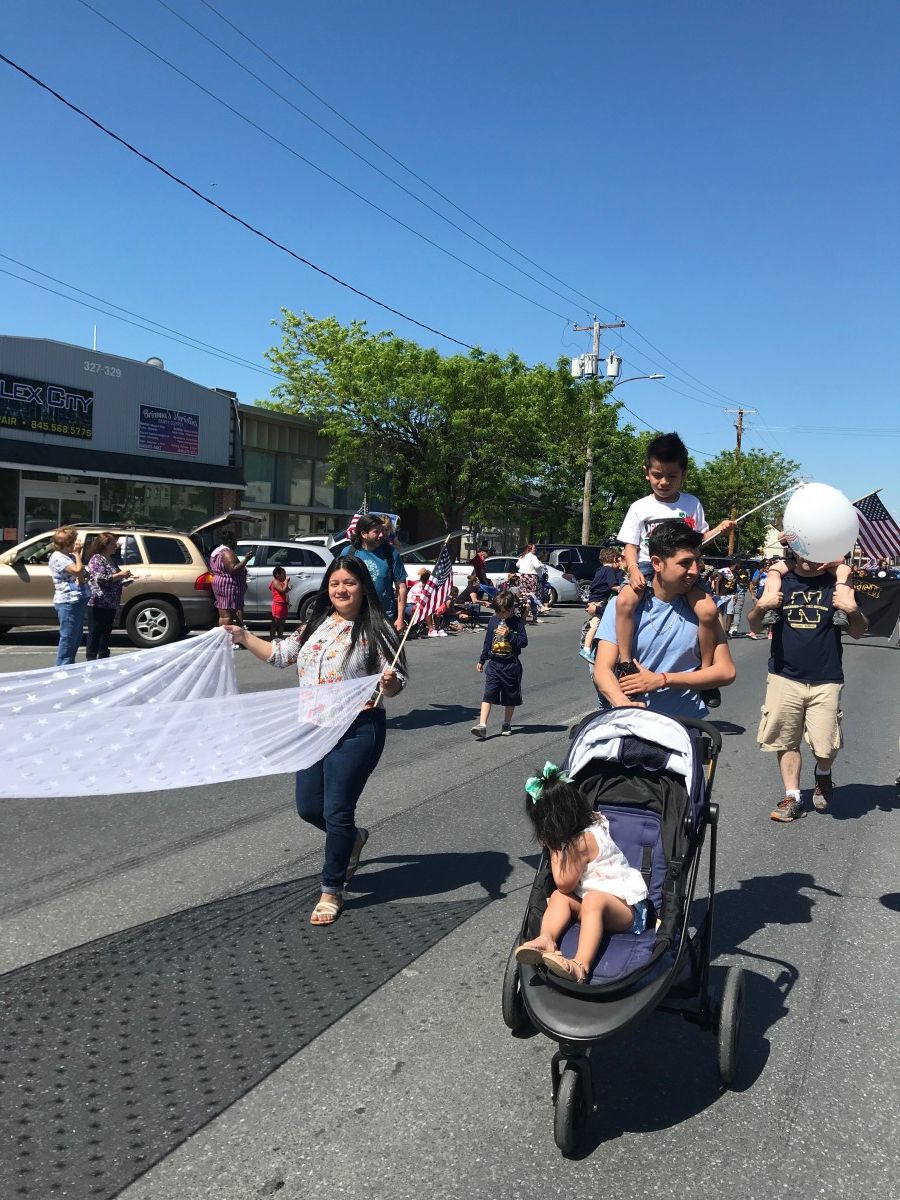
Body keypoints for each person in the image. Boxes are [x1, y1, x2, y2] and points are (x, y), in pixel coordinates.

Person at [226, 555, 407, 925]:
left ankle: (331, 888)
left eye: (350, 583)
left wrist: (389, 684)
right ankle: (352, 839)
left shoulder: (378, 629)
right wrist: (242, 636)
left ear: (363, 587)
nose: (341, 589)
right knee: (309, 808)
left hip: (357, 729)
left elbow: (396, 680)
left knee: (337, 810)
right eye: (335, 583)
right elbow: (280, 656)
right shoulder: (316, 624)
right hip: (311, 728)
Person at [747, 544, 868, 822]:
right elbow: (754, 626)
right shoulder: (782, 580)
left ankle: (823, 773)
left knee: (825, 745)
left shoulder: (838, 583)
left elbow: (859, 632)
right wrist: (761, 606)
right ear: (795, 551)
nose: (813, 561)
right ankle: (793, 797)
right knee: (786, 740)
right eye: (807, 554)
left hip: (826, 678)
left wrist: (852, 610)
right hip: (783, 675)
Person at [513, 763, 649, 984]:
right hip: (589, 904)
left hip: (626, 912)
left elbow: (564, 882)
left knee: (585, 898)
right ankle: (546, 939)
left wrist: (554, 848)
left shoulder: (581, 842)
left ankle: (580, 967)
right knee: (559, 898)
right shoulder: (586, 825)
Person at [613, 432, 734, 680]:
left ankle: (707, 667)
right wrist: (634, 570)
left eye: (672, 476)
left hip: (684, 569)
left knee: (709, 612)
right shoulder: (640, 507)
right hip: (649, 566)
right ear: (646, 471)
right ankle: (625, 662)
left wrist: (719, 530)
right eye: (657, 475)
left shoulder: (691, 504)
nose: (664, 482)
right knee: (624, 602)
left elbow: (698, 540)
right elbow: (630, 544)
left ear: (684, 474)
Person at [593, 520, 737, 716]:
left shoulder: (704, 609)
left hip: (685, 726)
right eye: (685, 563)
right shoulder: (622, 605)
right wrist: (621, 702)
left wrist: (662, 679)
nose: (695, 570)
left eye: (697, 561)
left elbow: (726, 671)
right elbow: (602, 671)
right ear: (657, 564)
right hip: (631, 722)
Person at [472, 591, 528, 739]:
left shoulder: (517, 622)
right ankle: (482, 725)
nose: (501, 616)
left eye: (504, 613)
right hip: (495, 663)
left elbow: (523, 642)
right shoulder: (493, 621)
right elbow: (487, 641)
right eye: (498, 612)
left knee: (510, 696)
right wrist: (482, 659)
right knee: (488, 693)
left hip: (511, 665)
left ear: (511, 609)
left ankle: (507, 723)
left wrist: (509, 634)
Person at [340, 514, 408, 634]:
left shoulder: (391, 554)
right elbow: (339, 583)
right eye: (376, 532)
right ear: (363, 534)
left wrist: (400, 618)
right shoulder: (348, 553)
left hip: (384, 617)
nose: (381, 535)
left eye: (382, 530)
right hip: (354, 617)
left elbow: (401, 586)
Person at [85, 532, 133, 659]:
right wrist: (120, 575)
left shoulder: (110, 560)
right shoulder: (96, 559)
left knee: (105, 633)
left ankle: (103, 658)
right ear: (104, 545)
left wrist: (124, 580)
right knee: (95, 632)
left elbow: (113, 578)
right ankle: (91, 659)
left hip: (111, 603)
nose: (115, 546)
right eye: (112, 543)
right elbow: (99, 578)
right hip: (98, 602)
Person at [49, 527, 90, 666]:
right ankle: (62, 668)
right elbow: (78, 570)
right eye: (73, 541)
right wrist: (78, 554)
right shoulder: (58, 557)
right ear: (67, 543)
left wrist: (83, 572)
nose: (76, 543)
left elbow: (83, 574)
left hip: (78, 598)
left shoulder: (68, 556)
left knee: (75, 637)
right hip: (67, 601)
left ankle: (69, 665)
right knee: (68, 637)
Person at [580, 547, 624, 661]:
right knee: (595, 625)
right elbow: (612, 585)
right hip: (598, 601)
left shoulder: (600, 570)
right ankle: (586, 649)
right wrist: (620, 588)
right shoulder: (609, 571)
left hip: (593, 599)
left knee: (595, 624)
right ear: (614, 559)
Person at [210, 529, 252, 629]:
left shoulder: (218, 550)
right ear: (230, 540)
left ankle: (234, 635)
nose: (236, 543)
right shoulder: (226, 552)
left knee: (231, 612)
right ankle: (224, 638)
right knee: (226, 615)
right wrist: (246, 559)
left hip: (224, 586)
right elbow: (232, 569)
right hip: (228, 587)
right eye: (235, 540)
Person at [515, 543, 543, 624]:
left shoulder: (522, 556)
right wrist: (542, 565)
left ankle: (522, 616)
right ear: (530, 549)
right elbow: (537, 566)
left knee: (524, 596)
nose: (535, 549)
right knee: (533, 596)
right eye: (534, 548)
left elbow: (517, 565)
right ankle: (535, 617)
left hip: (522, 577)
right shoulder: (533, 557)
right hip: (531, 577)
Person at [268, 565, 291, 639]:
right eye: (283, 573)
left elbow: (286, 590)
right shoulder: (275, 582)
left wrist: (287, 583)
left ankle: (280, 639)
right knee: (275, 623)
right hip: (278, 605)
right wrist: (286, 581)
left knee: (282, 624)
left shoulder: (282, 582)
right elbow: (283, 590)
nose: (285, 575)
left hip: (284, 605)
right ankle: (272, 639)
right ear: (277, 575)